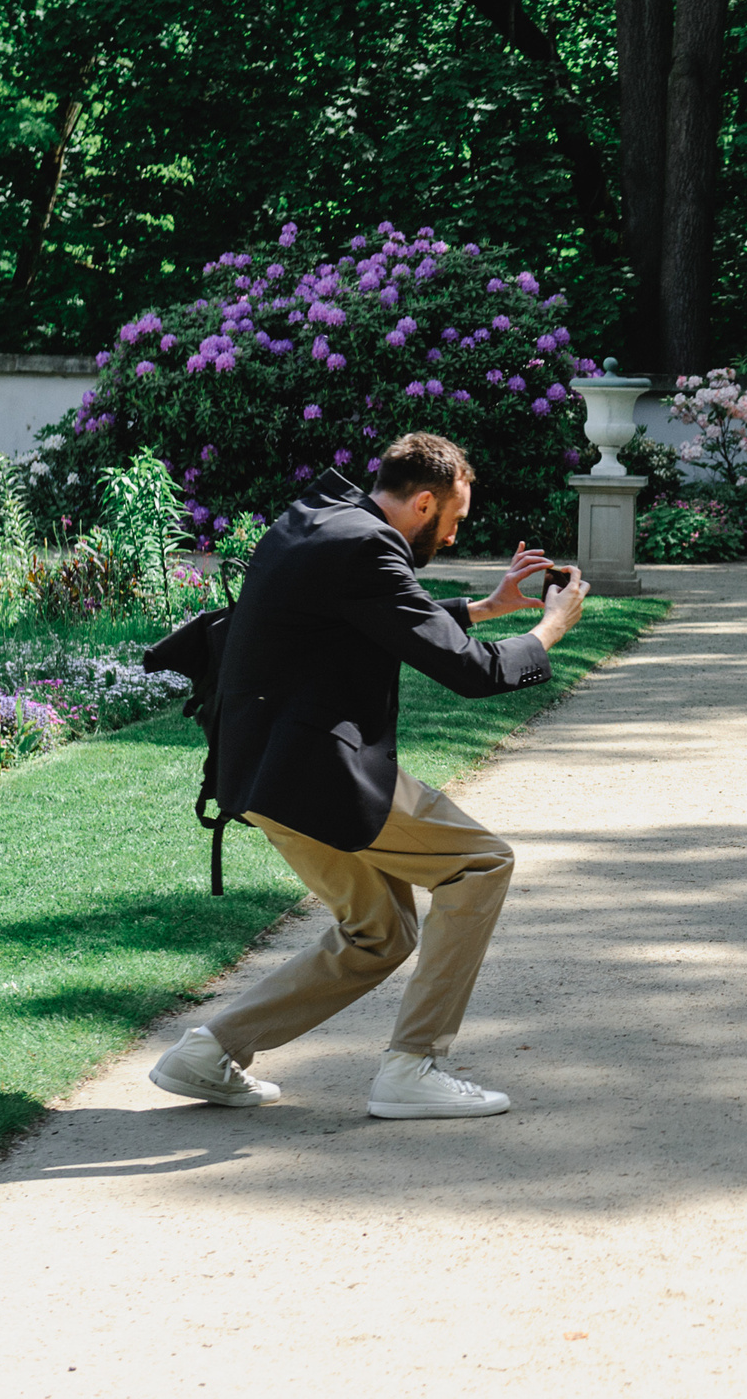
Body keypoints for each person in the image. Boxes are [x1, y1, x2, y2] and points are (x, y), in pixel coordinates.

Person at [148, 432, 587, 1119]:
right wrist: (549, 629)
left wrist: (483, 609)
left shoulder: (315, 520)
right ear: (422, 503)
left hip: (260, 777)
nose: (449, 537)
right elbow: (469, 673)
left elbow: (359, 620)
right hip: (319, 774)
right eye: (453, 522)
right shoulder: (368, 549)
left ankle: (210, 1050)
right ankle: (414, 1067)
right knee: (480, 865)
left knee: (380, 933)